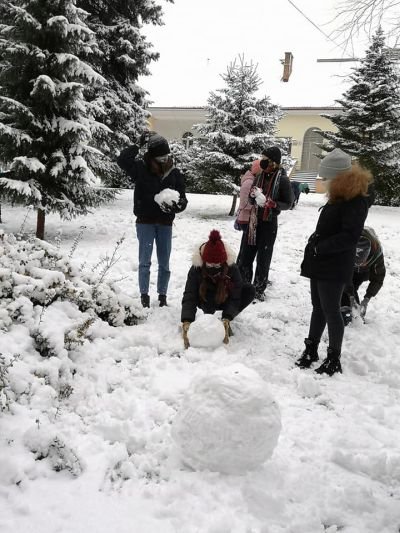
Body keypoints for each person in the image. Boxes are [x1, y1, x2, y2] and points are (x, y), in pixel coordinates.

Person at [296, 148, 372, 376]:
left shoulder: (355, 200)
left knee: (331, 310)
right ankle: (311, 350)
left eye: (328, 177)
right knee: (318, 307)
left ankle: (333, 358)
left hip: (335, 263)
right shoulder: (340, 195)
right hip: (321, 260)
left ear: (340, 177)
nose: (325, 181)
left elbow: (349, 236)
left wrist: (321, 247)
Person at [117, 132, 188, 308]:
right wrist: (136, 145)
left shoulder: (175, 173)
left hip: (165, 223)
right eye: (161, 156)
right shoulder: (140, 169)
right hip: (145, 222)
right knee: (144, 262)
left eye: (167, 155)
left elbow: (183, 199)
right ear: (153, 156)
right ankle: (144, 295)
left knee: (164, 262)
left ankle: (162, 296)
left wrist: (177, 206)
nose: (165, 159)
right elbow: (122, 160)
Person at [181, 230, 256, 349]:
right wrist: (187, 320)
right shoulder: (196, 269)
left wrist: (227, 316)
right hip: (206, 297)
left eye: (217, 265)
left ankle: (225, 322)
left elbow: (235, 296)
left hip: (224, 297)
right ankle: (208, 320)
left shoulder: (232, 268)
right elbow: (190, 295)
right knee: (209, 295)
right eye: (209, 264)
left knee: (248, 290)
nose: (213, 267)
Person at [237, 146, 293, 301]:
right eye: (262, 158)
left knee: (263, 258)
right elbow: (249, 197)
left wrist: (273, 204)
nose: (262, 162)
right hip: (254, 221)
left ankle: (258, 289)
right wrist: (253, 196)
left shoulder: (282, 180)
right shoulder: (260, 176)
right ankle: (244, 286)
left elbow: (289, 203)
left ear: (274, 163)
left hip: (269, 224)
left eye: (265, 159)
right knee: (246, 255)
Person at [340, 226, 386, 323]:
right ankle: (347, 308)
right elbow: (342, 275)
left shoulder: (376, 252)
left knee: (354, 283)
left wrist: (367, 298)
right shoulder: (344, 245)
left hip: (365, 271)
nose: (358, 266)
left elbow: (378, 278)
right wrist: (351, 296)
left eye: (361, 263)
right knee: (344, 285)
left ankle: (355, 313)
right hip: (346, 265)